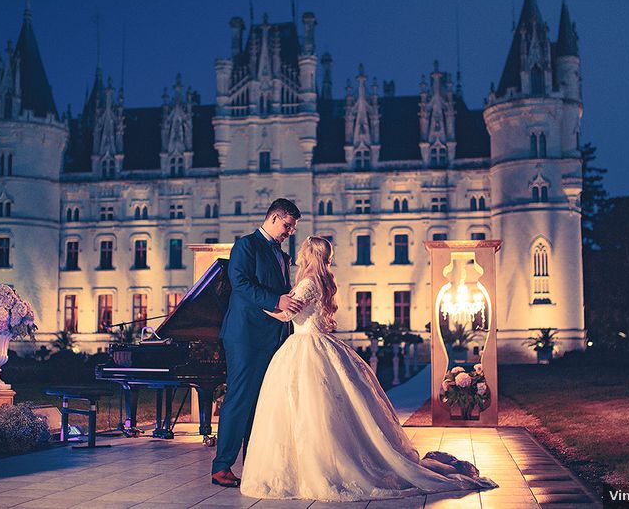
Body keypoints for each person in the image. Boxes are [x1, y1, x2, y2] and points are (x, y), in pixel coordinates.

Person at [240, 236, 497, 501]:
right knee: (327, 410)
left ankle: (317, 467)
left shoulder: (307, 283)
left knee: (307, 409)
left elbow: (287, 314)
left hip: (305, 347)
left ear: (308, 256)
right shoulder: (323, 282)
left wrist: (259, 303)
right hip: (319, 345)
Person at [210, 199, 304, 488]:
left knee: (262, 402)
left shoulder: (281, 254)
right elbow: (240, 283)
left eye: (293, 228)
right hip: (244, 335)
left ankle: (253, 462)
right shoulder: (246, 245)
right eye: (287, 225)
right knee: (239, 398)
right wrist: (277, 300)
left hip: (272, 336)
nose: (289, 232)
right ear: (274, 218)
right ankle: (221, 466)